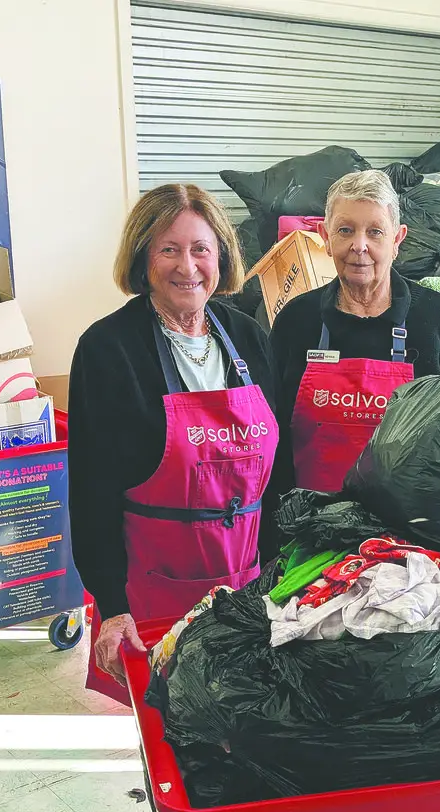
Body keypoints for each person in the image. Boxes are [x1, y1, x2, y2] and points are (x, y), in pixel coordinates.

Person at [69, 184, 279, 699]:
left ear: (221, 256)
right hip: (154, 592)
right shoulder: (107, 349)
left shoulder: (248, 336)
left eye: (201, 249)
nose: (188, 267)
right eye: (169, 249)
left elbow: (280, 473)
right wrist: (112, 604)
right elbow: (91, 491)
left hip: (247, 585)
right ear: (142, 259)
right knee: (168, 727)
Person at [269, 169, 440, 495]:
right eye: (345, 230)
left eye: (375, 232)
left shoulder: (439, 320)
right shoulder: (296, 322)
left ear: (398, 239)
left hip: (409, 536)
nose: (359, 245)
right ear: (325, 236)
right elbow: (273, 436)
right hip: (311, 528)